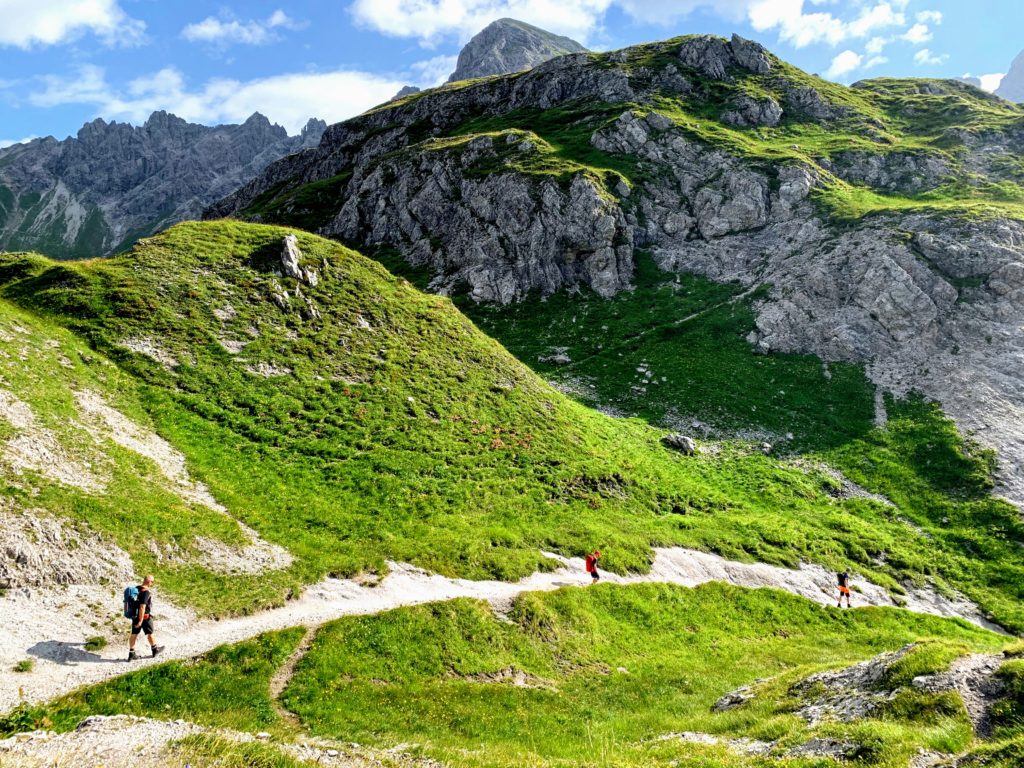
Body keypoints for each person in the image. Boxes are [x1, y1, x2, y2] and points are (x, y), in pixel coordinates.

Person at [128, 575, 164, 661]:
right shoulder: (146, 592)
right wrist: (140, 621)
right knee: (150, 633)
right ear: (149, 582)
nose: (152, 583)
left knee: (134, 634)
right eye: (152, 582)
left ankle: (131, 653)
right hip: (144, 617)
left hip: (135, 616)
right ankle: (155, 650)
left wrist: (137, 619)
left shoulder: (136, 589)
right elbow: (142, 607)